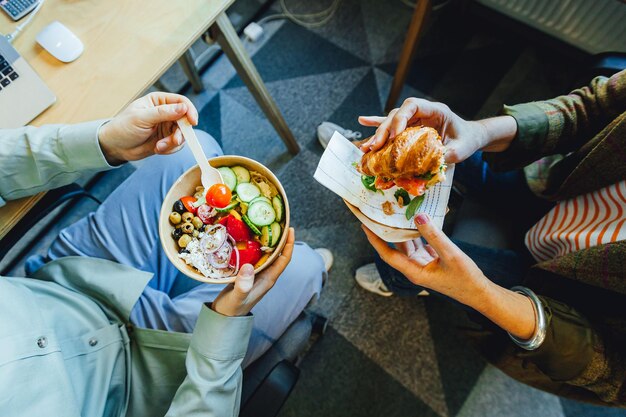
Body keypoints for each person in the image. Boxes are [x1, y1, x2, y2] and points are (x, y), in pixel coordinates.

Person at [0, 92, 330, 416]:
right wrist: (225, 325)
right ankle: (315, 274)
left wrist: (106, 142)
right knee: (301, 266)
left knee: (189, 150)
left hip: (72, 279)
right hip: (139, 382)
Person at [357, 70, 626, 406]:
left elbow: (617, 372)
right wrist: (478, 131)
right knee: (439, 146)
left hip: (564, 295)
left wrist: (481, 295)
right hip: (561, 186)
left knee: (405, 263)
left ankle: (401, 282)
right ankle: (362, 155)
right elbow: (593, 106)